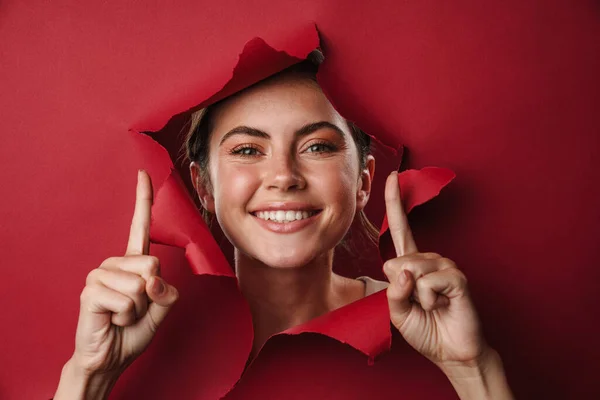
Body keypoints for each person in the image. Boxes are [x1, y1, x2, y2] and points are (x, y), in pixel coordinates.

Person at [54, 54, 514, 399]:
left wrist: (472, 367)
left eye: (316, 147)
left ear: (363, 181)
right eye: (248, 150)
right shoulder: (163, 334)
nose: (284, 177)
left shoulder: (424, 323)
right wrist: (89, 374)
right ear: (204, 187)